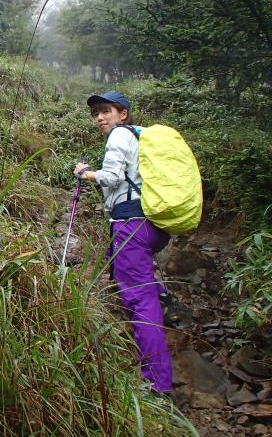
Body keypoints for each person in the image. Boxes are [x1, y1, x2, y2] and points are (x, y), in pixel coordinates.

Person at [73, 91, 173, 395]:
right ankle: (161, 299)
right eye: (96, 114)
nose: (100, 118)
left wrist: (85, 173)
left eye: (106, 111)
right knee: (120, 271)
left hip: (131, 223)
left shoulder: (119, 134)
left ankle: (157, 384)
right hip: (152, 224)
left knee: (140, 299)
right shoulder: (139, 137)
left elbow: (112, 177)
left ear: (123, 114)